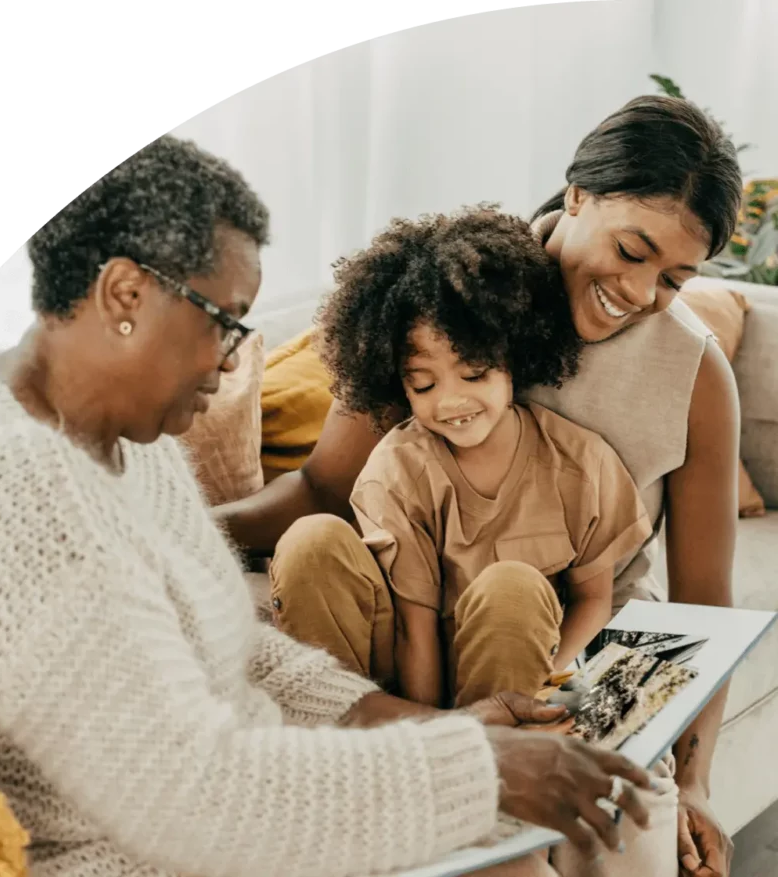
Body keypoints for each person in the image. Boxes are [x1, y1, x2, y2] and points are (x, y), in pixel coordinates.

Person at [0, 135, 655, 877]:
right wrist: (480, 768)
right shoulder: (9, 500)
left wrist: (445, 734)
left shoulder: (117, 437)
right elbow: (196, 797)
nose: (232, 364)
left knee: (615, 831)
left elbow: (236, 649)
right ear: (123, 296)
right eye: (225, 323)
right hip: (131, 853)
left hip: (219, 806)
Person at [216, 95, 744, 877]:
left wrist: (696, 778)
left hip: (580, 664)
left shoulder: (695, 373)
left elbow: (703, 606)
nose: (639, 291)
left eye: (673, 277)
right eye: (632, 251)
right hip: (408, 628)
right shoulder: (450, 294)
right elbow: (324, 493)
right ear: (577, 196)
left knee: (626, 830)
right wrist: (179, 527)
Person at [293, 206, 653, 712]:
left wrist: (553, 689)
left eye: (475, 374)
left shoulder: (580, 462)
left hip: (517, 679)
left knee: (512, 584)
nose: (451, 402)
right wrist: (436, 738)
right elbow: (414, 630)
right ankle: (350, 743)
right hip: (405, 689)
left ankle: (500, 761)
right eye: (423, 384)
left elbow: (594, 598)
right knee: (309, 540)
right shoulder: (397, 470)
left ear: (513, 356)